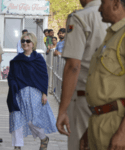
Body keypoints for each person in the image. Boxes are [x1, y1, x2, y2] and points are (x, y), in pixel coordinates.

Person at [56, 0, 108, 150]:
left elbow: (73, 66)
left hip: (85, 99)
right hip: (113, 100)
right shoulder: (118, 17)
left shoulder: (80, 18)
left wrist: (62, 110)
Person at [80, 0, 125, 150]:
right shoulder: (113, 35)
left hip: (116, 123)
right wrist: (90, 129)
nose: (99, 8)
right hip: (99, 120)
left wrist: (123, 132)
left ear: (116, 4)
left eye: (103, 2)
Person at [7, 33, 57, 150]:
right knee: (17, 120)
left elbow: (44, 76)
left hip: (34, 94)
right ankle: (17, 146)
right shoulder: (17, 60)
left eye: (28, 41)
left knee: (32, 121)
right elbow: (11, 76)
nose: (25, 43)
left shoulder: (38, 59)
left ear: (33, 43)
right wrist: (14, 85)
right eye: (23, 41)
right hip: (18, 93)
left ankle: (43, 138)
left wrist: (44, 93)